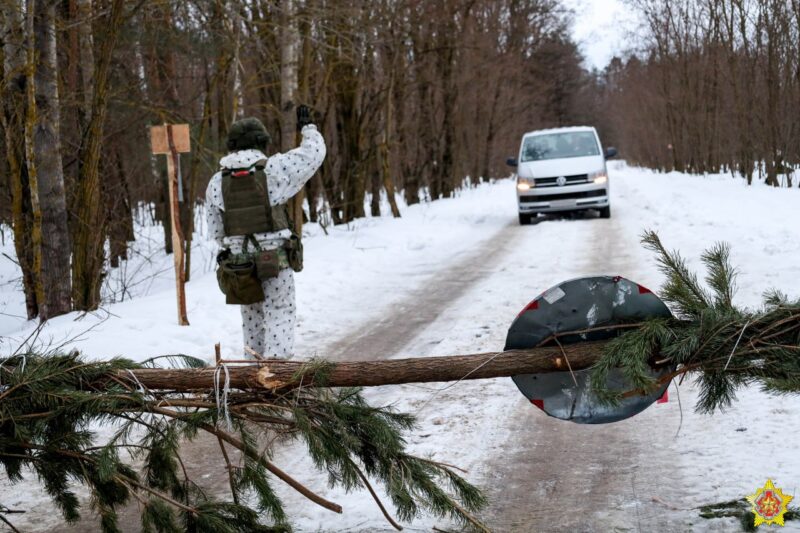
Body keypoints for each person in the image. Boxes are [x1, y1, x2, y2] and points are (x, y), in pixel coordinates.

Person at [205, 107, 325, 359]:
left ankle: (253, 374)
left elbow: (216, 232)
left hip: (240, 266)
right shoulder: (274, 169)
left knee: (251, 319)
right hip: (275, 260)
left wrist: (235, 247)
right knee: (280, 311)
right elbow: (312, 155)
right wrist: (309, 128)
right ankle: (276, 372)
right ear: (261, 142)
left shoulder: (216, 182)